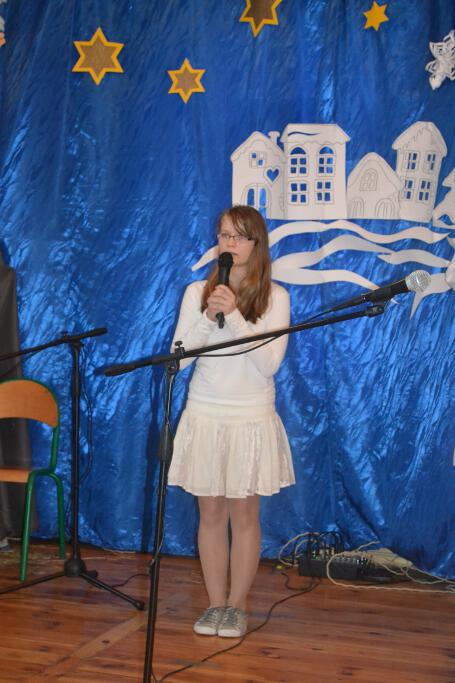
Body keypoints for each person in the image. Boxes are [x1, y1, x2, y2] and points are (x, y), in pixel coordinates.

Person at [167, 205, 295, 638]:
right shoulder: (195, 292)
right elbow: (180, 360)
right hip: (205, 412)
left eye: (239, 237)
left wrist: (236, 315)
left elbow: (268, 364)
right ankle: (215, 604)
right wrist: (208, 316)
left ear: (257, 245)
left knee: (243, 515)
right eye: (224, 235)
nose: (230, 244)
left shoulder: (276, 297)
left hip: (249, 417)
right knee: (210, 514)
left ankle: (237, 606)